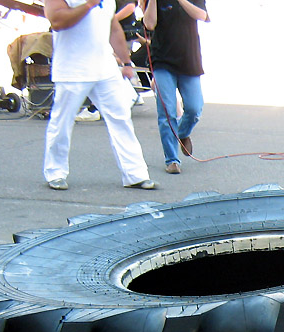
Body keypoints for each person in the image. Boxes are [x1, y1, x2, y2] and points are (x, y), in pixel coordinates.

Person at [43, 0, 156, 191]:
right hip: (72, 68)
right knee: (62, 122)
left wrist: (126, 62)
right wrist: (88, 5)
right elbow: (57, 21)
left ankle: (135, 175)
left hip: (105, 68)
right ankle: (55, 173)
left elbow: (113, 27)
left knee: (121, 118)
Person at [141, 0, 209, 175]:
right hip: (162, 60)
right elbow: (149, 24)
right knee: (167, 112)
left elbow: (202, 15)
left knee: (194, 109)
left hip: (189, 59)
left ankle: (182, 133)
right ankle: (172, 159)